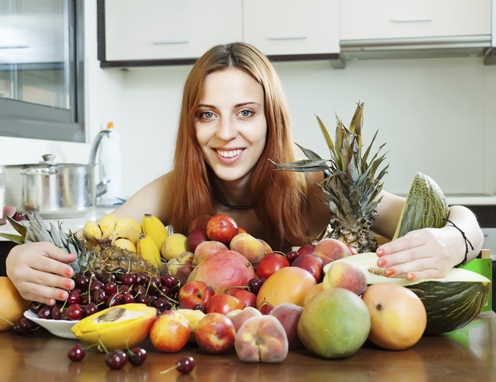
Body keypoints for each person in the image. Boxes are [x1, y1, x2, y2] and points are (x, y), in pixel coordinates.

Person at [6, 42, 483, 306]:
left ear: (270, 118)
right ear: (191, 124)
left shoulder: (318, 184)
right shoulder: (176, 188)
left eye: (246, 112)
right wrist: (13, 257)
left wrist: (454, 240)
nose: (226, 133)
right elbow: (84, 248)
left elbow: (457, 219)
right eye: (207, 114)